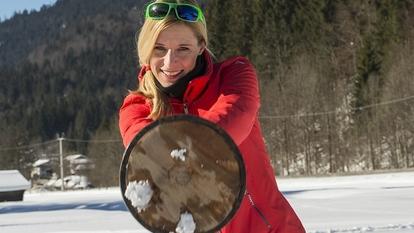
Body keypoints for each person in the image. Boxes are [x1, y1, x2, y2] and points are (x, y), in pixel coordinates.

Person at [119, 0, 305, 232]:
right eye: (159, 49)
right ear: (146, 49)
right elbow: (143, 148)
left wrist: (174, 153)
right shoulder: (137, 106)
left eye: (183, 49)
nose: (170, 62)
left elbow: (233, 119)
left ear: (201, 46)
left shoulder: (233, 74)